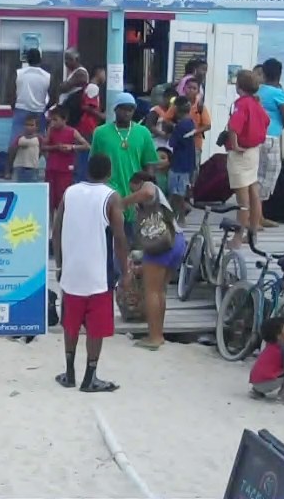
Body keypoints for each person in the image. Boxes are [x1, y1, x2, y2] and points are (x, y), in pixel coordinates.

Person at [52, 153, 130, 392]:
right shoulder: (111, 197)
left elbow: (57, 230)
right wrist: (125, 270)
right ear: (109, 173)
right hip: (98, 273)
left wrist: (60, 264)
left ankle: (69, 373)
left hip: (72, 270)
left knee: (71, 323)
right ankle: (90, 376)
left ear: (87, 171)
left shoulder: (70, 193)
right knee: (96, 326)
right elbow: (119, 237)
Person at [124, 171, 186, 350]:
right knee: (160, 291)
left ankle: (154, 337)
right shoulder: (159, 200)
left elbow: (148, 192)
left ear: (138, 183)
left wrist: (123, 202)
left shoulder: (150, 187)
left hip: (160, 244)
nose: (134, 193)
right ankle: (158, 333)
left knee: (151, 292)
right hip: (176, 240)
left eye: (133, 189)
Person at [90, 92, 158, 235]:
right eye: (123, 109)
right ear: (115, 109)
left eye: (130, 109)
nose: (127, 113)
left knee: (129, 239)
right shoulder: (100, 133)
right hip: (108, 191)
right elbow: (93, 164)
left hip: (133, 194)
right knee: (107, 239)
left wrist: (144, 188)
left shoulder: (143, 132)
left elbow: (150, 163)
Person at [225, 70, 269, 249]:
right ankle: (253, 233)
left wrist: (235, 145)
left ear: (239, 87)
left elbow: (233, 126)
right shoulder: (256, 103)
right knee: (254, 193)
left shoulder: (241, 104)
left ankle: (237, 237)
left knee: (242, 201)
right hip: (254, 151)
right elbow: (266, 121)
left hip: (241, 154)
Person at [256, 58, 284, 228]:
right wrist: (281, 125)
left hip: (256, 137)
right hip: (271, 137)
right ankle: (256, 217)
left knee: (257, 175)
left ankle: (258, 215)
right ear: (279, 74)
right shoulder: (278, 93)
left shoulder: (257, 91)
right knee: (268, 176)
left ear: (263, 73)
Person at [43, 106, 87, 219]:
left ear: (64, 120)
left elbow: (87, 146)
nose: (53, 123)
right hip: (51, 168)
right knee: (49, 197)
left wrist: (72, 147)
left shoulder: (72, 132)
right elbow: (43, 147)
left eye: (55, 120)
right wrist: (55, 147)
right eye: (51, 120)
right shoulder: (51, 130)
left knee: (62, 197)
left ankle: (62, 222)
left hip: (65, 170)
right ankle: (50, 222)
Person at [166, 96, 198, 219]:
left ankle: (180, 216)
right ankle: (179, 216)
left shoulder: (180, 126)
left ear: (176, 109)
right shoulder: (191, 123)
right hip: (189, 163)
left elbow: (171, 143)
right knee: (182, 191)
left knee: (176, 193)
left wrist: (171, 131)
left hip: (179, 164)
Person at [12, 48, 51, 147]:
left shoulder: (19, 73)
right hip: (39, 111)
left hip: (21, 109)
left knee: (16, 141)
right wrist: (45, 108)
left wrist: (14, 107)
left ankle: (14, 157)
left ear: (27, 60)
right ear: (40, 59)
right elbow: (54, 96)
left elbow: (10, 93)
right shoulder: (47, 76)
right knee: (39, 143)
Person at [7, 115, 43, 182]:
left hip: (33, 167)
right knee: (20, 184)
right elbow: (12, 150)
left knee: (32, 184)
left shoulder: (39, 138)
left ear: (37, 127)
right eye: (27, 125)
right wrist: (18, 147)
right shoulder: (20, 137)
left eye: (31, 125)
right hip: (20, 166)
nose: (28, 127)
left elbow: (41, 150)